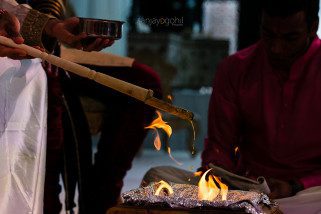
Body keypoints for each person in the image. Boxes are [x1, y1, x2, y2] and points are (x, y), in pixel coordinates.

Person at [142, 0, 321, 213]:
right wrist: (219, 176)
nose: (276, 48)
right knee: (157, 179)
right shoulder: (236, 68)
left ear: (312, 27)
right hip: (249, 190)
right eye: (268, 35)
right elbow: (219, 146)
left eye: (290, 38)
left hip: (309, 191)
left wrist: (297, 185)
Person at [1, 1, 162, 214]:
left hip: (45, 39)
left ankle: (101, 197)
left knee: (144, 83)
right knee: (43, 84)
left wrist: (53, 26)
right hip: (25, 50)